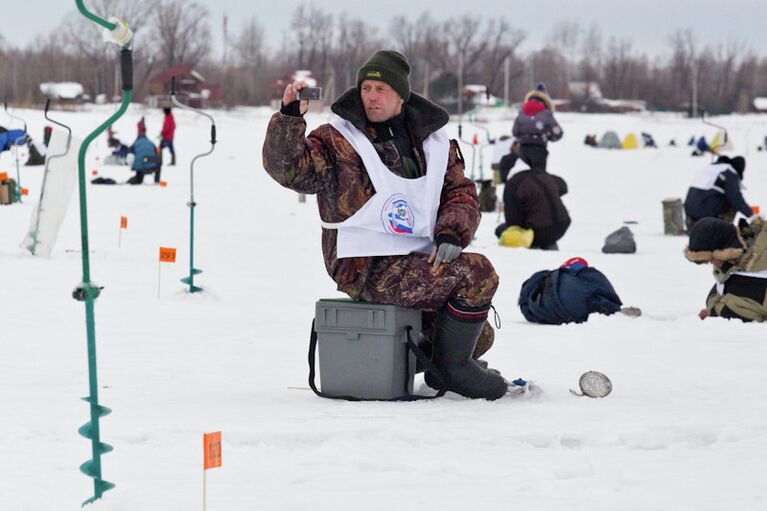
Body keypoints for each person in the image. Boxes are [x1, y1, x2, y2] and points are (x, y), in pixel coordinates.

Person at [262, 50, 508, 400]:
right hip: (364, 265)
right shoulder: (337, 140)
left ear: (401, 95)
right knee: (478, 273)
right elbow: (289, 171)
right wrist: (289, 118)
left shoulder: (435, 143)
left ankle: (442, 370)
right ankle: (455, 372)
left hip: (418, 257)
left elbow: (460, 193)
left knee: (480, 336)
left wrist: (453, 231)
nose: (372, 96)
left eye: (381, 88)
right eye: (366, 87)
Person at [685, 217, 767, 322]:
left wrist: (714, 311)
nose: (712, 263)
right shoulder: (738, 262)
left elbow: (742, 309)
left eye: (712, 258)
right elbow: (719, 292)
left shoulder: (759, 259)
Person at [494, 144, 570, 250]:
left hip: (540, 232)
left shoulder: (513, 184)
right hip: (563, 224)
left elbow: (514, 222)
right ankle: (548, 242)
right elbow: (563, 187)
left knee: (500, 230)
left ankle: (538, 244)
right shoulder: (540, 173)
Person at [684, 155, 753, 230]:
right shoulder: (729, 172)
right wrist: (751, 215)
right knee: (731, 201)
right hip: (706, 220)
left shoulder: (710, 168)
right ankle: (723, 229)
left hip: (690, 218)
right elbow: (735, 198)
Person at [511, 82, 562, 171]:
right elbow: (558, 132)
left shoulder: (521, 112)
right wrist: (549, 137)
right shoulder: (546, 114)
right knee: (541, 178)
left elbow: (515, 132)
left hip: (523, 150)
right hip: (539, 150)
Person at [127, 118, 161, 184]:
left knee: (140, 161)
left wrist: (132, 166)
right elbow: (158, 153)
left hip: (141, 167)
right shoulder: (151, 143)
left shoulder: (135, 144)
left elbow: (130, 158)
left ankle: (139, 179)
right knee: (153, 159)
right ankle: (157, 179)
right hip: (153, 166)